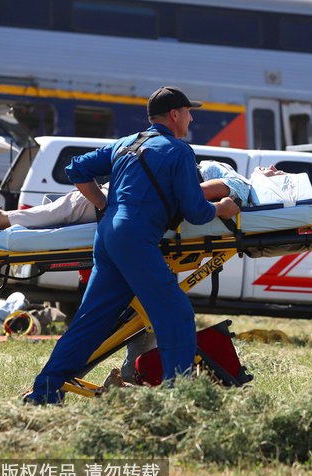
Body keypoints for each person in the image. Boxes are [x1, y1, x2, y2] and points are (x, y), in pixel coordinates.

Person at [25, 86, 240, 404]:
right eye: (189, 112)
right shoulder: (178, 151)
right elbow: (196, 211)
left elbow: (76, 169)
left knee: (91, 320)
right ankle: (176, 400)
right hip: (136, 239)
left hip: (108, 236)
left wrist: (102, 205)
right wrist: (222, 208)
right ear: (175, 115)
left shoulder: (128, 143)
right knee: (177, 315)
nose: (192, 118)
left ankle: (44, 391)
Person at [0, 160, 252, 231]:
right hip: (143, 198)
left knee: (74, 204)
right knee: (70, 205)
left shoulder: (239, 180)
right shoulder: (229, 173)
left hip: (137, 202)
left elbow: (226, 191)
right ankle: (12, 218)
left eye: (273, 170)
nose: (269, 168)